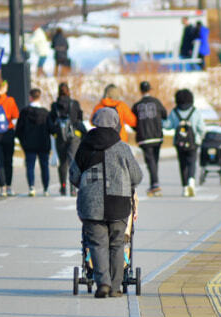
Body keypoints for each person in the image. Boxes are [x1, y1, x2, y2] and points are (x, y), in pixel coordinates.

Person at [74, 107, 143, 298]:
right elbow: (137, 176)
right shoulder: (122, 148)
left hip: (91, 205)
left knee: (97, 244)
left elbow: (73, 175)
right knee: (117, 244)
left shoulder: (85, 147)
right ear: (116, 124)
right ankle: (115, 287)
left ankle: (102, 283)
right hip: (119, 203)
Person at [166, 88, 206, 196]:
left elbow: (168, 125)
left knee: (182, 163)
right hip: (193, 142)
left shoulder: (175, 112)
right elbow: (202, 128)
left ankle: (184, 187)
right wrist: (199, 138)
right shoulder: (195, 111)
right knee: (192, 162)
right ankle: (191, 182)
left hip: (179, 143)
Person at [132, 80, 168, 196]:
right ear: (150, 90)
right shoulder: (156, 102)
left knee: (150, 161)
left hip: (144, 137)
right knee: (154, 160)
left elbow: (133, 122)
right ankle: (154, 184)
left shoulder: (137, 106)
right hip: (157, 135)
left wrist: (138, 129)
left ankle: (155, 184)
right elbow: (165, 115)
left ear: (141, 91)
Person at [49, 82, 85, 197]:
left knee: (62, 162)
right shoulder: (75, 103)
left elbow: (51, 121)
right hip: (73, 136)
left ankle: (63, 186)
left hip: (60, 136)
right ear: (68, 91)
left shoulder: (54, 106)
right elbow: (80, 119)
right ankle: (73, 188)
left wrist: (55, 131)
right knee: (72, 161)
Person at [16, 88, 52, 196]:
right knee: (44, 166)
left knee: (30, 166)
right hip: (43, 143)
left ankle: (31, 187)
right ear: (39, 97)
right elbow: (51, 128)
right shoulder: (45, 113)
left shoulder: (24, 112)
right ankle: (46, 188)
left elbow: (19, 129)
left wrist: (23, 141)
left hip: (29, 144)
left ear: (30, 97)